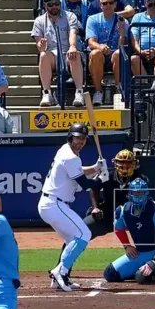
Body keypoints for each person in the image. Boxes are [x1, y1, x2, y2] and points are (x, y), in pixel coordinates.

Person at [37, 123, 106, 292]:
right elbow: (84, 183)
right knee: (84, 234)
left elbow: (78, 171)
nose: (79, 142)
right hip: (54, 204)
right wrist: (101, 178)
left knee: (72, 241)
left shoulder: (66, 151)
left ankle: (60, 278)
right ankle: (60, 271)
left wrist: (96, 168)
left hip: (52, 204)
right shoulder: (70, 156)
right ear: (70, 137)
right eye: (76, 138)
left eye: (82, 139)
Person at [33, 0, 86, 107]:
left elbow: (73, 32)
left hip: (67, 52)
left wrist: (72, 46)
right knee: (43, 55)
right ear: (45, 5)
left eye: (56, 3)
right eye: (51, 4)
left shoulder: (70, 16)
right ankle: (46, 93)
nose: (54, 7)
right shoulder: (39, 21)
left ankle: (79, 92)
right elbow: (38, 44)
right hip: (51, 54)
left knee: (75, 54)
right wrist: (40, 45)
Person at [85, 149, 148, 241]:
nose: (125, 166)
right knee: (83, 229)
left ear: (134, 164)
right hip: (109, 214)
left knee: (151, 230)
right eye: (121, 163)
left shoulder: (140, 179)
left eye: (128, 163)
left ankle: (150, 252)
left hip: (132, 216)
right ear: (115, 163)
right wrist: (95, 207)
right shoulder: (107, 175)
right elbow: (94, 187)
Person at [86, 0, 126, 106]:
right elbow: (91, 42)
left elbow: (122, 47)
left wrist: (122, 34)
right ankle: (98, 91)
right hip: (100, 55)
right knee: (95, 53)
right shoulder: (93, 19)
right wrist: (101, 47)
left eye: (110, 3)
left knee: (118, 54)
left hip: (115, 55)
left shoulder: (122, 21)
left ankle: (118, 90)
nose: (108, 5)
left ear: (115, 4)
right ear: (100, 5)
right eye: (105, 3)